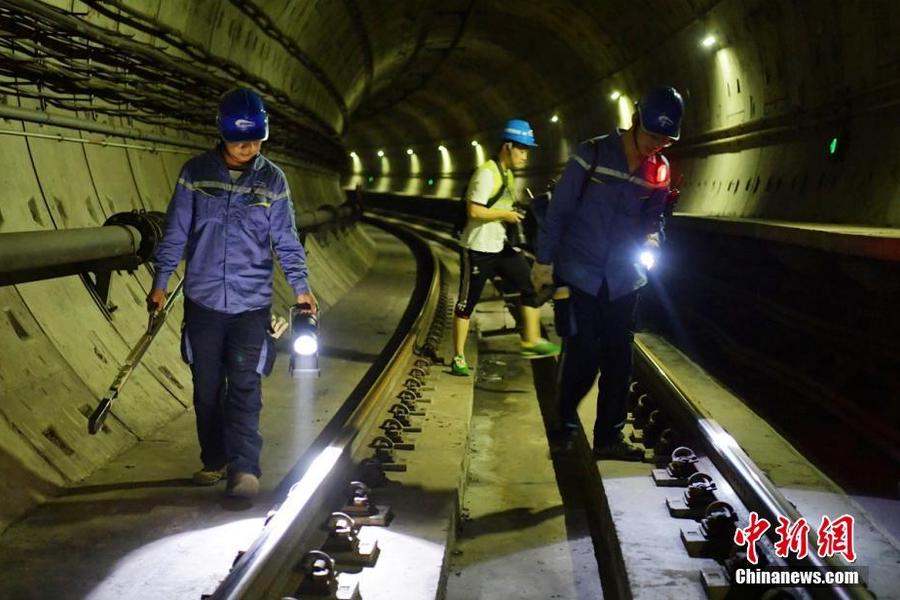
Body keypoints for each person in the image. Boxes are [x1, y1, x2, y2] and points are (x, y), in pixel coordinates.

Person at [147, 88, 316, 498]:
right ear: (221, 134)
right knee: (206, 387)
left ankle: (244, 469)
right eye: (242, 140)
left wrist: (301, 288)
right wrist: (160, 283)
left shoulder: (272, 180)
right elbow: (175, 233)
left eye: (257, 140)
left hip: (251, 306)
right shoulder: (195, 174)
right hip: (203, 301)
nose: (250, 148)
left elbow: (287, 241)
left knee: (244, 384)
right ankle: (215, 460)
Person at [532, 87, 684, 460]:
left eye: (664, 139)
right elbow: (560, 211)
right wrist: (543, 263)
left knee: (619, 359)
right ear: (635, 121)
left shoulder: (659, 171)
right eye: (652, 135)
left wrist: (652, 242)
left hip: (624, 278)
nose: (656, 145)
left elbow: (653, 222)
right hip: (580, 272)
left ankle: (608, 438)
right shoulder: (593, 153)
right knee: (582, 353)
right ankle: (564, 423)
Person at [451, 119, 560, 376]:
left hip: (499, 245)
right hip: (477, 247)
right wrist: (505, 215)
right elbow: (474, 210)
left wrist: (515, 213)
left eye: (527, 150)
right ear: (507, 147)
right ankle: (457, 357)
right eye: (522, 149)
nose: (526, 155)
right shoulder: (486, 173)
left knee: (531, 285)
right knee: (467, 304)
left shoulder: (507, 175)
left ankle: (532, 342)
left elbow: (499, 208)